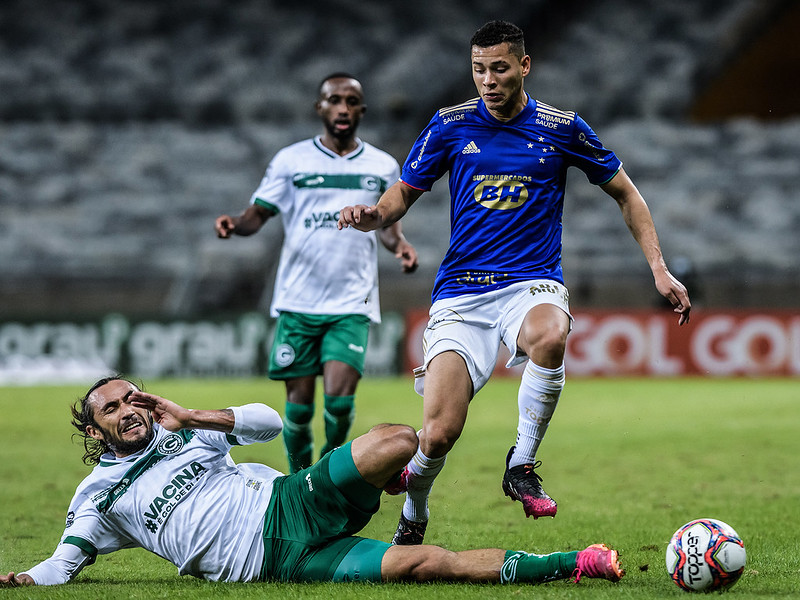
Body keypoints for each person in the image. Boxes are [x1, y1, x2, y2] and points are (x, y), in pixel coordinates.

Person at [338, 20, 692, 545]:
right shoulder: (448, 125)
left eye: (499, 68)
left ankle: (521, 464)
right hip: (461, 294)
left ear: (524, 66)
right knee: (437, 435)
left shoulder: (562, 127)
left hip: (531, 283)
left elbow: (627, 195)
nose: (487, 80)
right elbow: (401, 196)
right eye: (479, 69)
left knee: (551, 335)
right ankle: (415, 508)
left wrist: (659, 268)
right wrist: (373, 215)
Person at [0, 376, 625, 586]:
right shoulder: (98, 497)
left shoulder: (186, 431)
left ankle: (389, 485)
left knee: (399, 440)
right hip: (284, 560)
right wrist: (27, 578)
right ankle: (577, 562)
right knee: (426, 565)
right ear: (94, 432)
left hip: (290, 497)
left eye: (131, 398)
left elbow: (269, 424)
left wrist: (193, 415)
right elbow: (65, 562)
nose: (129, 410)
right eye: (111, 409)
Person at [215, 73, 418, 474]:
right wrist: (236, 224)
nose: (342, 108)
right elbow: (259, 214)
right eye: (334, 100)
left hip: (351, 301)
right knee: (299, 406)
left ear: (361, 109)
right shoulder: (291, 161)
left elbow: (388, 229)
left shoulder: (382, 165)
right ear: (320, 108)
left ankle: (326, 474)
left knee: (340, 401)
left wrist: (402, 247)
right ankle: (299, 479)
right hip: (298, 300)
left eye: (351, 100)